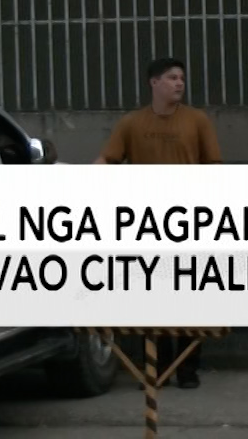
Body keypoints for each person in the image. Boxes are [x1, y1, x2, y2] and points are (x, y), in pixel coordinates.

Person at [96, 56, 221, 387]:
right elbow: (108, 158)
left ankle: (188, 369)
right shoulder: (132, 123)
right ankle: (157, 367)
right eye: (172, 78)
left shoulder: (197, 121)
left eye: (182, 78)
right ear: (154, 83)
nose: (179, 83)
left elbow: (213, 166)